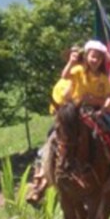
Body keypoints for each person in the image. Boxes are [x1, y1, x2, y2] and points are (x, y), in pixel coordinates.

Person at [62, 39, 110, 196]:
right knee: (57, 131)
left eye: (98, 58)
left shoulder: (104, 79)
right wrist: (71, 62)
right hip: (76, 111)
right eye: (92, 56)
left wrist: (102, 107)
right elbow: (64, 75)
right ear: (86, 56)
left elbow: (109, 97)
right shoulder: (78, 70)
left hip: (98, 112)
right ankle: (44, 169)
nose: (95, 60)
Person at [27, 44, 82, 204]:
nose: (76, 62)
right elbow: (56, 108)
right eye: (73, 59)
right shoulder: (61, 84)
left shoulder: (89, 78)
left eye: (79, 60)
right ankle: (41, 182)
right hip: (66, 120)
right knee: (51, 141)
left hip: (86, 116)